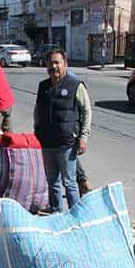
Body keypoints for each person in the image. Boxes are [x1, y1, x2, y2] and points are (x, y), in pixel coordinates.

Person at [34, 49, 92, 213]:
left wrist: (84, 137)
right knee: (52, 182)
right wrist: (37, 130)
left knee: (70, 183)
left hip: (67, 144)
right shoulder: (43, 86)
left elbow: (86, 111)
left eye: (57, 62)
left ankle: (76, 216)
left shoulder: (75, 85)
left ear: (65, 64)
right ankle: (56, 214)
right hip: (47, 143)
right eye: (50, 63)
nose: (54, 66)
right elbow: (37, 110)